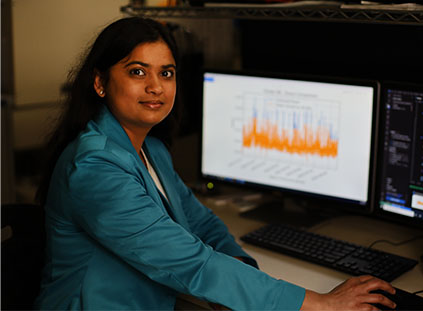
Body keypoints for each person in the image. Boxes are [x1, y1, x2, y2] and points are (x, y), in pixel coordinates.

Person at [35, 16, 397, 310]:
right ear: (100, 83)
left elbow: (199, 222)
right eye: (137, 72)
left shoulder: (151, 150)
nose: (156, 87)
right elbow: (189, 262)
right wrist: (320, 304)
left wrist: (236, 272)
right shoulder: (95, 167)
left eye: (166, 73)